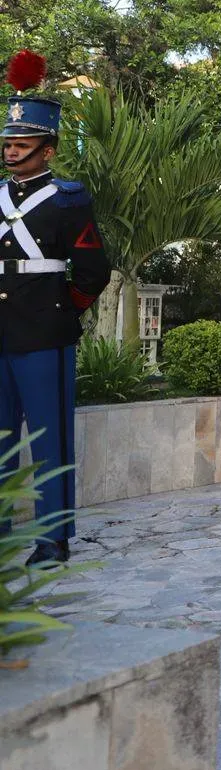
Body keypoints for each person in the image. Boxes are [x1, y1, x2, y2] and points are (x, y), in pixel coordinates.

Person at [0, 50, 112, 565]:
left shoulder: (69, 200)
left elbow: (91, 271)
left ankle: (51, 538)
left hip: (45, 330)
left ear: (48, 149)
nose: (12, 150)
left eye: (23, 143)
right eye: (8, 141)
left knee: (48, 439)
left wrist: (65, 312)